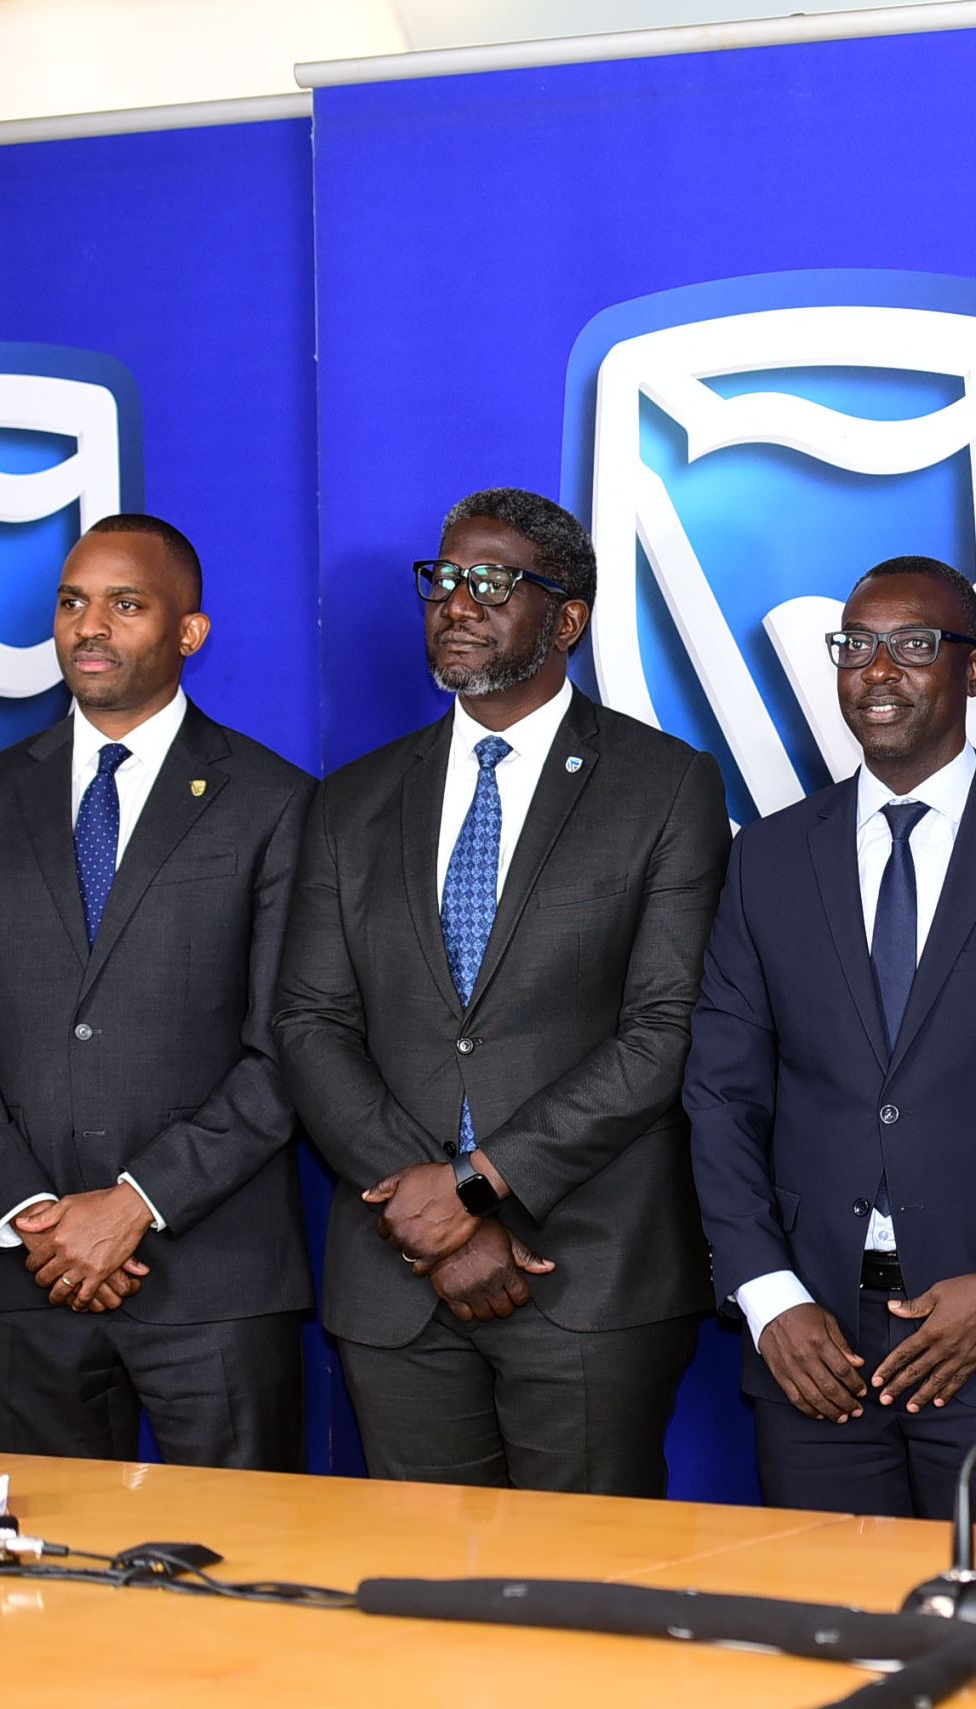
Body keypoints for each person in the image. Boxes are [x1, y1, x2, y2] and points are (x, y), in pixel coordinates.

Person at [273, 488, 729, 1496]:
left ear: (566, 617)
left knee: (585, 1615)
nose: (456, 602)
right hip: (396, 1276)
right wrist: (423, 1208)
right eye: (442, 579)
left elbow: (662, 1031)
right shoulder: (352, 800)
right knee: (426, 1615)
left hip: (587, 1276)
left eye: (491, 581)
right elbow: (311, 1021)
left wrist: (480, 1186)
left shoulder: (663, 786)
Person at [685, 556, 976, 1524]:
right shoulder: (766, 857)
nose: (876, 670)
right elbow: (720, 1095)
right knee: (836, 1653)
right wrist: (766, 1297)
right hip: (812, 1356)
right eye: (855, 645)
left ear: (975, 666)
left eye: (913, 644)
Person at [0, 514, 315, 1468]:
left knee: (236, 1584)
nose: (89, 626)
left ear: (189, 632)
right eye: (72, 602)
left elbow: (290, 1047)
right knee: (38, 1602)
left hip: (212, 1279)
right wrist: (35, 1214)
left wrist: (134, 1201)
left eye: (125, 604)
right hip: (26, 1276)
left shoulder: (277, 803)